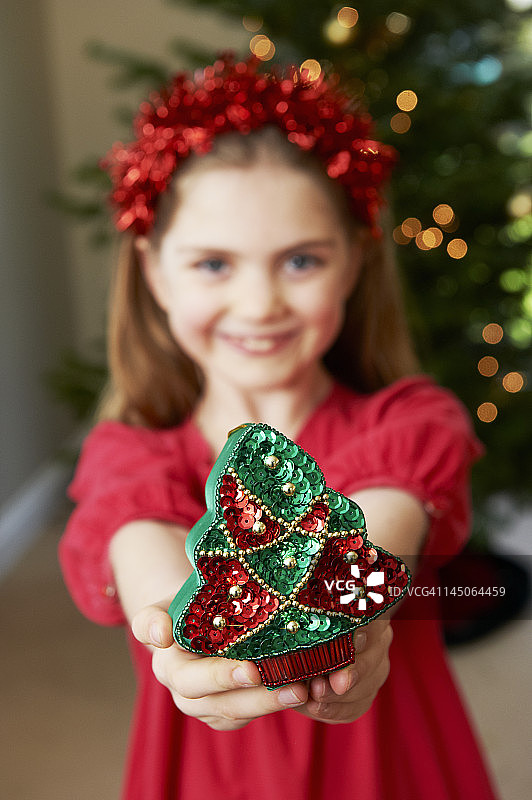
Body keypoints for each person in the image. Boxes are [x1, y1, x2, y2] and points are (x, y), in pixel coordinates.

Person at [59, 54, 499, 799]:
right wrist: (180, 648)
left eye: (300, 260)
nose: (260, 304)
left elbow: (377, 531)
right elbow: (144, 550)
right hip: (208, 777)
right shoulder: (128, 455)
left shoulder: (415, 420)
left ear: (355, 264)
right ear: (156, 272)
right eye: (212, 265)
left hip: (391, 767)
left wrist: (352, 623)